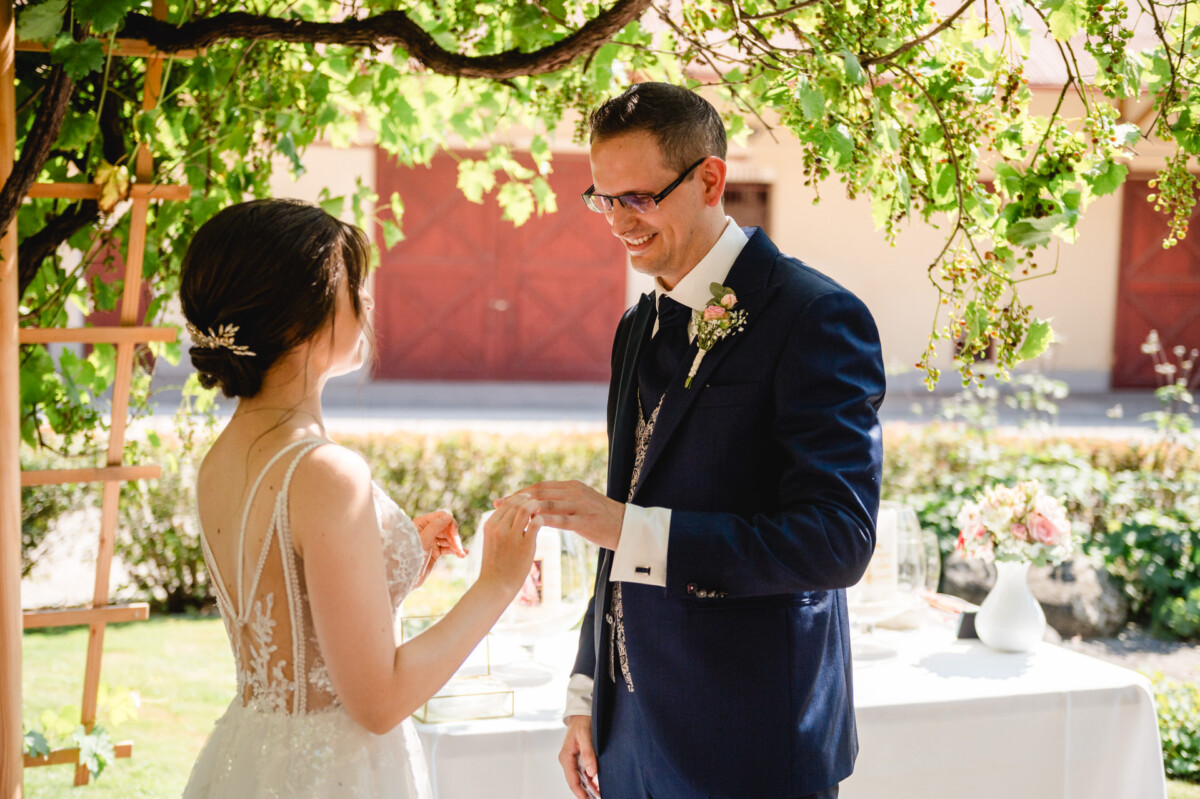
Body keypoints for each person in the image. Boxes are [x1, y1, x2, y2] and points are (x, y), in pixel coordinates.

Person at [514, 83, 887, 798]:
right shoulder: (637, 327)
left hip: (751, 741)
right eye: (603, 199)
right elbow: (627, 512)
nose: (618, 222)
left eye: (638, 198)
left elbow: (836, 541)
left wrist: (628, 528)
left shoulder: (814, 316)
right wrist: (586, 693)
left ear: (710, 180)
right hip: (629, 739)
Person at [179, 198, 539, 798]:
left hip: (249, 758)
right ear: (296, 319)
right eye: (353, 286)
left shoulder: (223, 457)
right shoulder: (325, 471)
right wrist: (496, 584)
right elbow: (379, 701)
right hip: (332, 773)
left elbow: (292, 618)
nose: (368, 302)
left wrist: (394, 566)